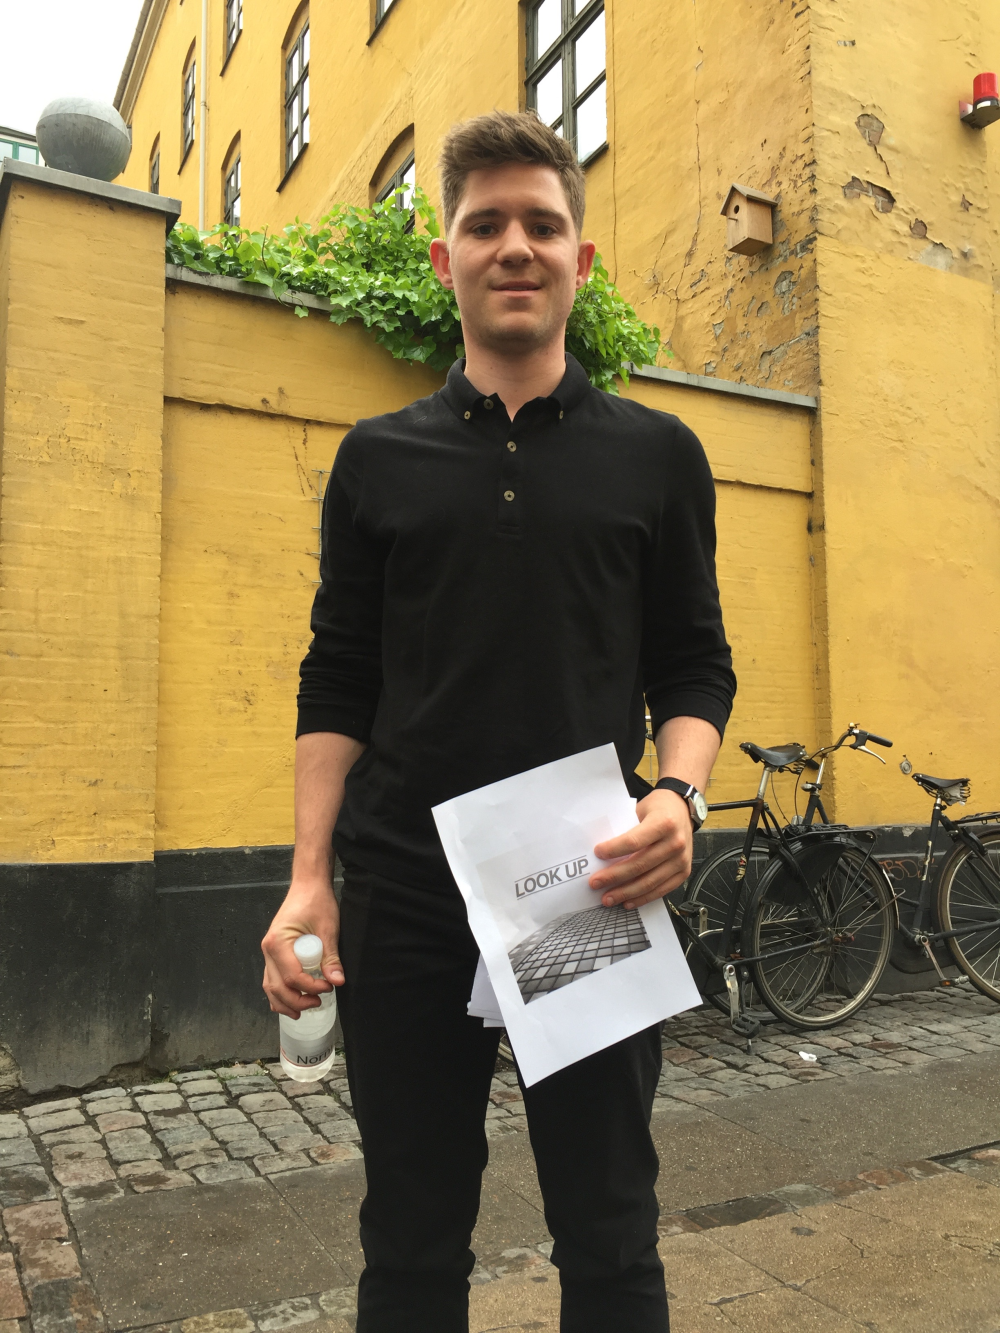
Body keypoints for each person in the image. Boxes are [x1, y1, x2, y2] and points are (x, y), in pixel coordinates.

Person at [262, 109, 736, 1333]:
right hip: (408, 891)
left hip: (585, 886)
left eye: (541, 224)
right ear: (446, 259)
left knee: (610, 1232)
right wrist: (309, 879)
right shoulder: (376, 460)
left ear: (581, 258)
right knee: (411, 1239)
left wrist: (677, 793)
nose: (514, 245)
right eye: (484, 225)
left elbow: (693, 665)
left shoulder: (659, 456)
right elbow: (337, 677)